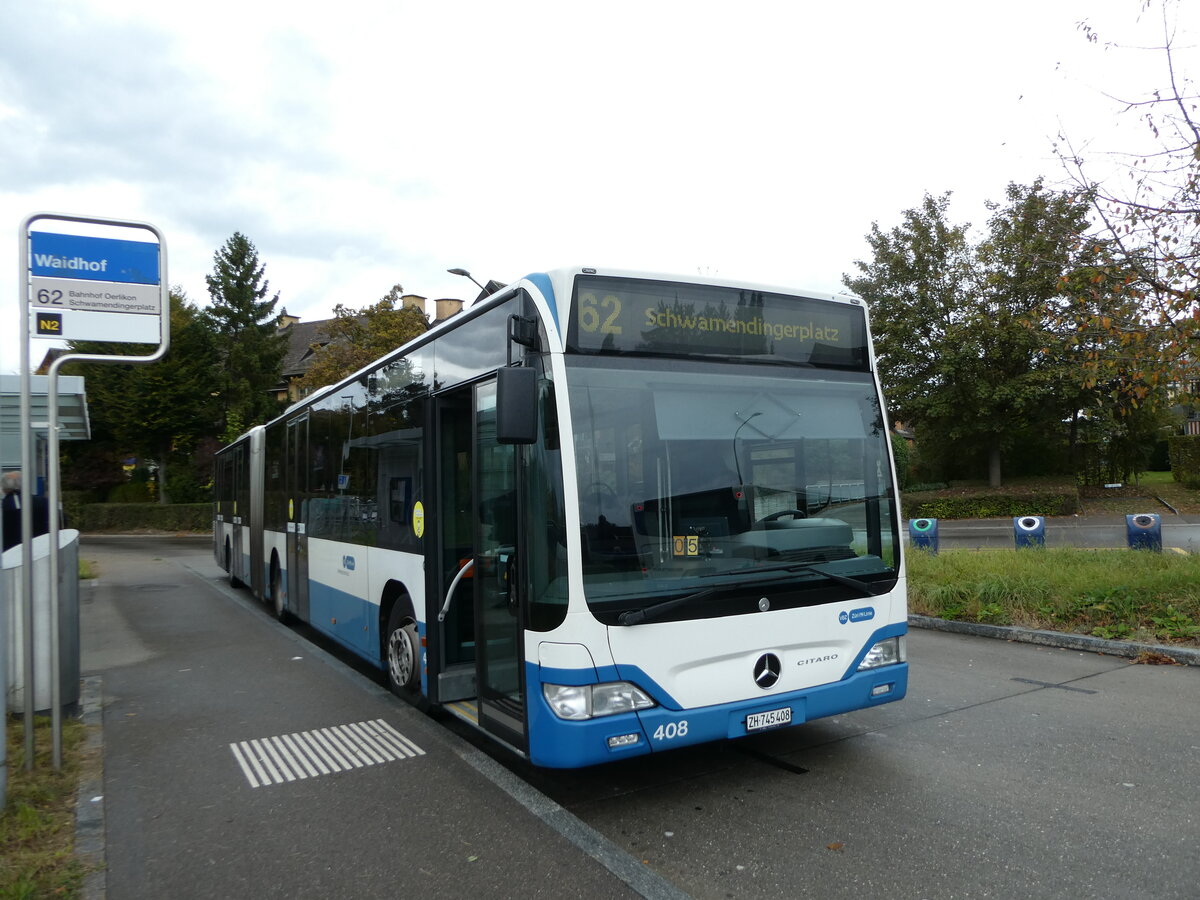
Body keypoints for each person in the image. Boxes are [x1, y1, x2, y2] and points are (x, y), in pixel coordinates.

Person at [1, 471, 51, 553]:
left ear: (4, 488)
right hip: (40, 548)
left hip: (10, 552)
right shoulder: (41, 501)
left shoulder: (5, 505)